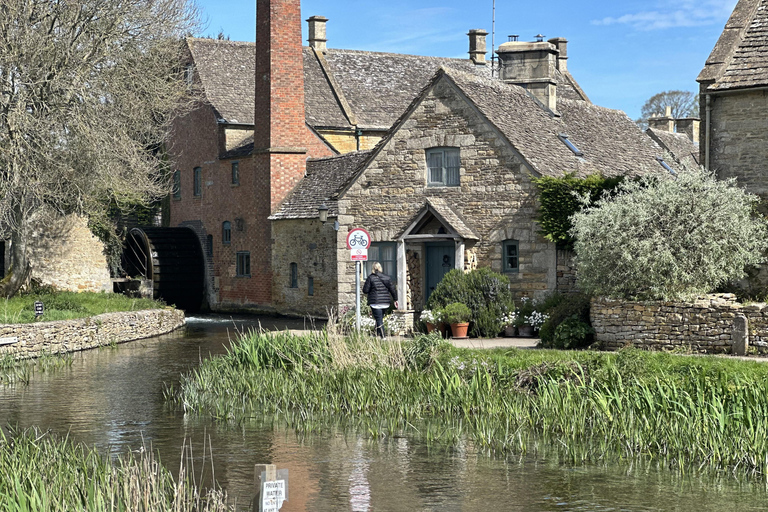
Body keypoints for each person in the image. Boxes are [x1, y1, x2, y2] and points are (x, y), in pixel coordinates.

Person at [362, 262, 398, 338]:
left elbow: (365, 290)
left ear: (373, 268)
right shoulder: (387, 277)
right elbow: (392, 290)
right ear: (380, 268)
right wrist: (395, 299)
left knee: (379, 320)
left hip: (375, 302)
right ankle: (375, 334)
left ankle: (383, 337)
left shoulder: (370, 278)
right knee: (379, 318)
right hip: (385, 302)